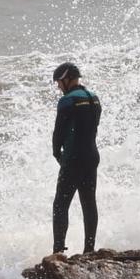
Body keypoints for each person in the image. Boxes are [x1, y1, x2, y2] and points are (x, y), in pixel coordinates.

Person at [51, 62, 101, 254]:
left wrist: (58, 154)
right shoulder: (94, 98)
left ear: (66, 79)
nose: (58, 87)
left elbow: (59, 133)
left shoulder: (67, 101)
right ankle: (89, 249)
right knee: (89, 203)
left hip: (73, 159)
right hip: (92, 156)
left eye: (59, 82)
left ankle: (58, 251)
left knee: (60, 205)